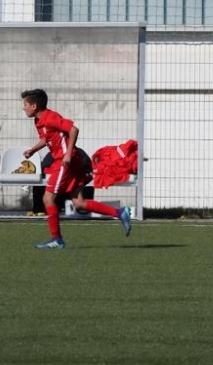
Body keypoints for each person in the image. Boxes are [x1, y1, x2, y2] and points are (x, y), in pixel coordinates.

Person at [21, 88, 132, 248]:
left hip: (65, 161)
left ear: (34, 106)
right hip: (69, 161)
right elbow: (47, 138)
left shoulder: (51, 118)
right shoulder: (38, 121)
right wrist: (33, 150)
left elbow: (73, 129)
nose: (23, 108)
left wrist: (67, 154)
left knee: (48, 198)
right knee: (79, 203)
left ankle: (56, 239)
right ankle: (120, 213)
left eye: (25, 104)